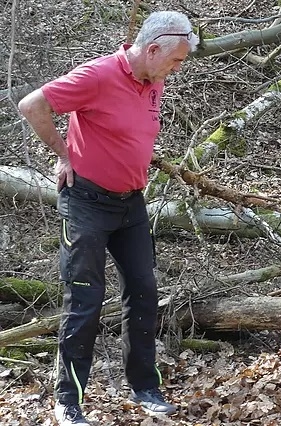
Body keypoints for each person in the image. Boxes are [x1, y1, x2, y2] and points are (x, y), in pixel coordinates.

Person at [17, 11, 199, 426]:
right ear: (152, 49)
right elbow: (33, 104)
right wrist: (64, 155)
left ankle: (144, 388)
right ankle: (69, 401)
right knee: (85, 299)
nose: (176, 69)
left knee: (143, 291)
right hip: (86, 203)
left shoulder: (154, 78)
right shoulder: (96, 76)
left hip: (131, 203)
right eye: (175, 60)